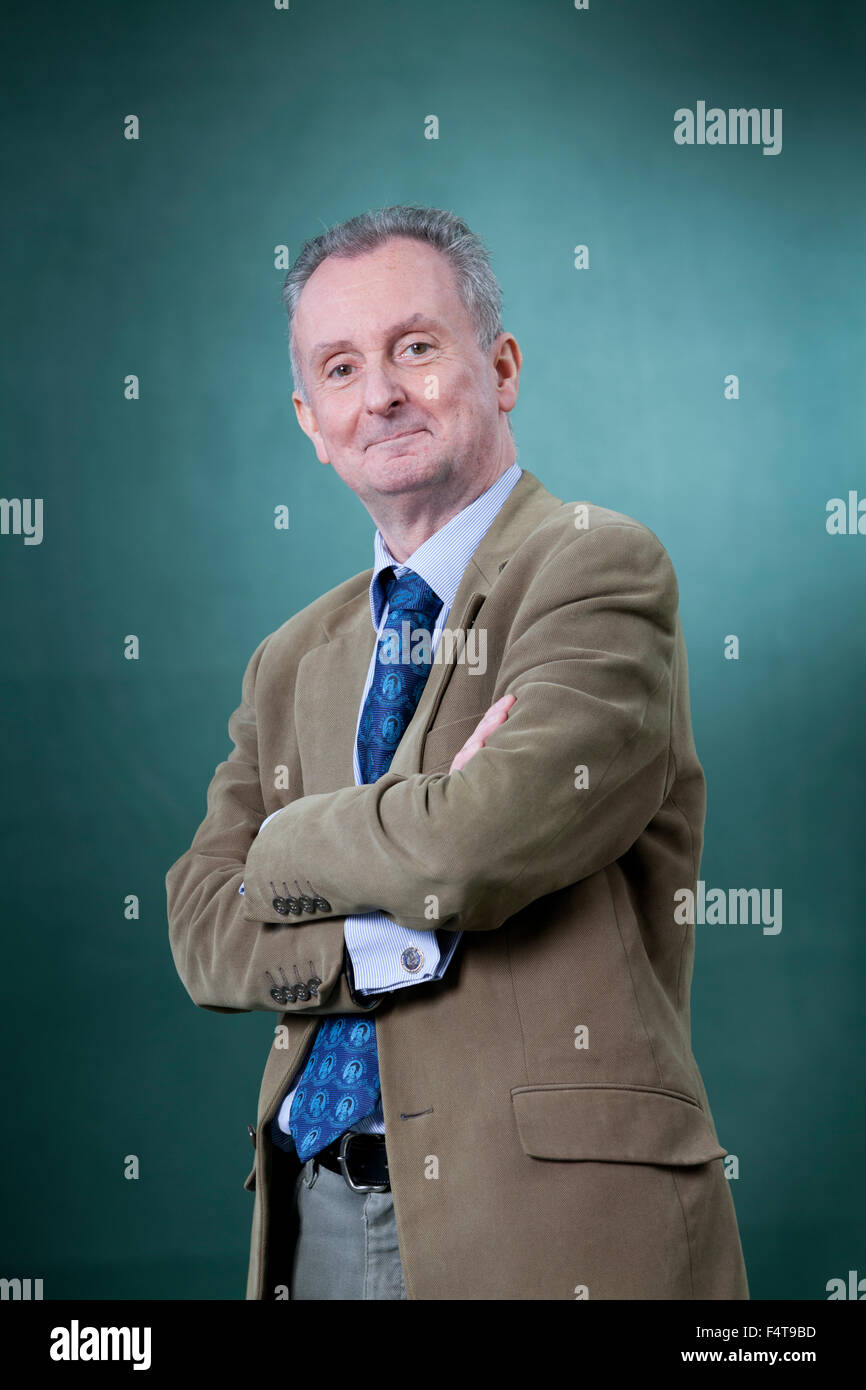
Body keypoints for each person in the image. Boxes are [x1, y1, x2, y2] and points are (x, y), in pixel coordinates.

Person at [166, 204, 749, 1301]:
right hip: (311, 1214)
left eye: (414, 348)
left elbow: (473, 848)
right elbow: (201, 926)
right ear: (309, 417)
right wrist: (401, 904)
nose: (378, 391)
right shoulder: (287, 661)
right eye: (340, 367)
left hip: (548, 1229)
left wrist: (288, 847)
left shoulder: (594, 570)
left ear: (501, 366)